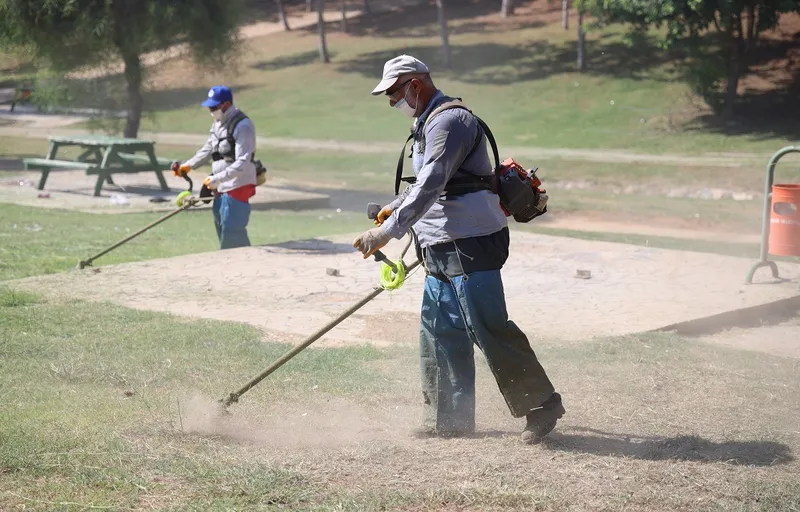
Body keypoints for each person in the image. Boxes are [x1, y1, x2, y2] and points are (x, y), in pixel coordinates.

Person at [352, 55, 565, 444]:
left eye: (394, 93)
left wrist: (388, 233)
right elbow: (422, 186)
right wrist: (395, 206)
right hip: (440, 243)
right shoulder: (427, 123)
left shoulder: (450, 121)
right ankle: (448, 419)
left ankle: (542, 405)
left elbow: (433, 181)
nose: (391, 102)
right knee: (440, 329)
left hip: (471, 241)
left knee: (487, 326)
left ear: (415, 84)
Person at [173, 85, 260, 250]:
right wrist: (188, 166)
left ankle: (239, 266)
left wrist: (216, 178)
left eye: (214, 107)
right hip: (220, 184)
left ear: (226, 105)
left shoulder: (243, 126)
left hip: (238, 184)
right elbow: (208, 149)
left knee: (232, 230)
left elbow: (242, 161)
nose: (211, 110)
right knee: (222, 226)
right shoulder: (217, 124)